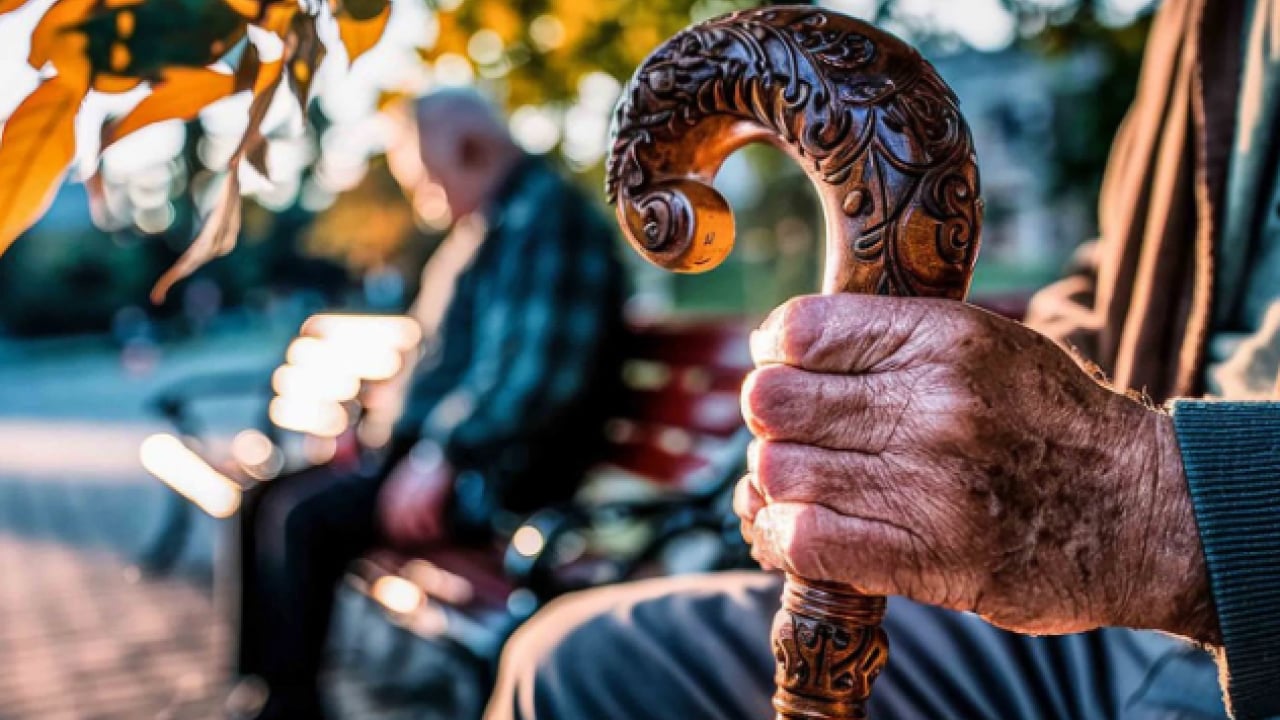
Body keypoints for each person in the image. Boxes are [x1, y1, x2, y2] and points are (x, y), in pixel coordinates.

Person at [483, 0, 1280, 718]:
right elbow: (1124, 278)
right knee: (576, 669)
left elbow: (1135, 497)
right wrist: (936, 439)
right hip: (1103, 632)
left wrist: (1143, 505)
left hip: (1232, 630)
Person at [234, 89, 627, 719]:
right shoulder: (490, 225)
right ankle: (262, 695)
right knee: (263, 499)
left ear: (471, 150)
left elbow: (529, 379)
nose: (424, 201)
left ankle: (287, 706)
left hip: (501, 476)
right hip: (445, 458)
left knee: (301, 520)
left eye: (426, 180)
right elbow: (436, 364)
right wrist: (365, 428)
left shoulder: (546, 222)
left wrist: (445, 453)